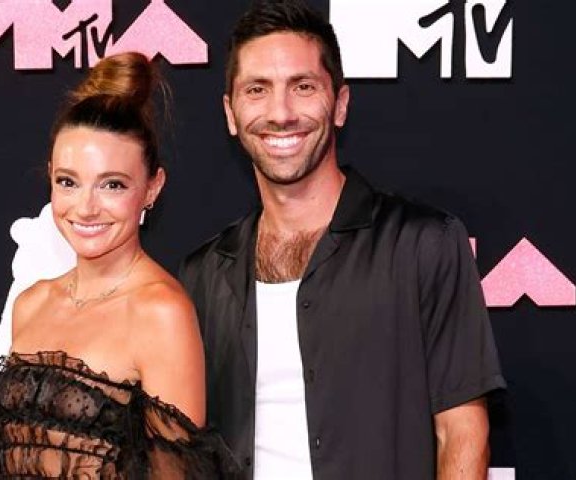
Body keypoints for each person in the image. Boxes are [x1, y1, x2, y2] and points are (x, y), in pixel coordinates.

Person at [178, 1, 506, 479]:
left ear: (341, 104)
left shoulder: (422, 244)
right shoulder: (203, 273)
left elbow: (462, 435)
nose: (281, 113)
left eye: (303, 87)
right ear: (231, 113)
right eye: (257, 90)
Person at [0, 52, 237, 479]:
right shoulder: (32, 303)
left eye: (112, 185)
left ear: (152, 188)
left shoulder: (161, 313)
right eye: (68, 182)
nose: (86, 207)